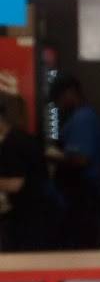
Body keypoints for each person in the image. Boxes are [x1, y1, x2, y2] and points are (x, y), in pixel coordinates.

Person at [49, 72, 100, 250]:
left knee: (79, 244)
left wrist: (50, 155)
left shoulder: (83, 119)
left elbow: (81, 159)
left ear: (70, 93)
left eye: (59, 99)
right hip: (81, 192)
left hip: (82, 193)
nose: (58, 106)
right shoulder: (82, 117)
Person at [0, 94, 62, 252]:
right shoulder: (23, 138)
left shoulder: (12, 142)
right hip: (43, 212)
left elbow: (15, 184)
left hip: (32, 216)